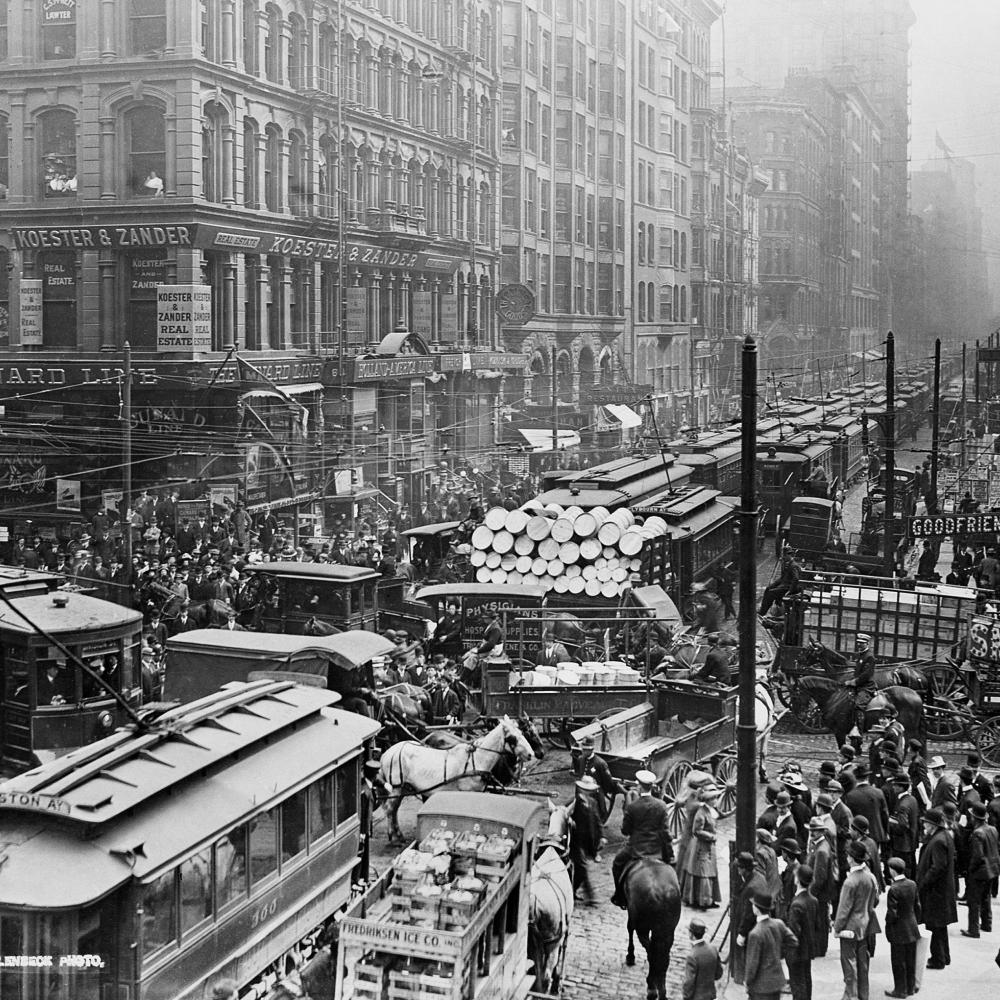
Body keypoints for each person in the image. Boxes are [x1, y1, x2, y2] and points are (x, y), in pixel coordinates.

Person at [610, 769, 673, 909]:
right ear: (651, 787)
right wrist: (670, 855)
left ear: (639, 786)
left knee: (617, 864)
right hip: (657, 848)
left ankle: (620, 897)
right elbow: (665, 833)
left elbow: (625, 831)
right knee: (672, 869)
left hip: (636, 849)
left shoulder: (633, 807)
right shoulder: (661, 805)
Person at [833, 839, 881, 1000]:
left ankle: (850, 996)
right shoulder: (870, 877)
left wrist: (837, 927)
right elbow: (875, 900)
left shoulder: (850, 882)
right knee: (863, 964)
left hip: (850, 927)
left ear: (851, 858)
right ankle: (863, 995)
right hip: (866, 924)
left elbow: (843, 910)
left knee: (849, 965)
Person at [916, 807, 957, 970]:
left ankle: (938, 958)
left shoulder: (938, 840)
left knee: (934, 925)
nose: (924, 826)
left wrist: (923, 884)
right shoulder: (943, 836)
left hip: (936, 892)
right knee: (940, 926)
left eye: (926, 823)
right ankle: (944, 956)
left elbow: (937, 867)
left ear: (933, 824)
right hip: (941, 891)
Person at [744, 890, 798, 1000]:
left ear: (756, 909)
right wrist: (778, 953)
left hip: (760, 987)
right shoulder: (778, 924)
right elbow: (793, 942)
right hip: (776, 981)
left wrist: (747, 982)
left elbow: (752, 964)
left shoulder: (755, 933)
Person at [682, 782, 722, 910]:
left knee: (709, 871)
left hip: (708, 846)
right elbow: (697, 831)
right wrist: (711, 836)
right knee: (703, 872)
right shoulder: (701, 813)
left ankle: (707, 898)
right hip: (701, 847)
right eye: (713, 798)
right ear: (708, 800)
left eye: (715, 798)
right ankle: (701, 900)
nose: (715, 801)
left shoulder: (710, 811)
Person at [884, 856, 920, 999]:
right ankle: (910, 987)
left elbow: (892, 913)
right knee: (911, 959)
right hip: (912, 926)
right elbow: (917, 906)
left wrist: (888, 924)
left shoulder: (894, 889)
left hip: (899, 929)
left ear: (892, 871)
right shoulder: (912, 884)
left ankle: (900, 989)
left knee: (899, 962)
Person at [964, 801, 1000, 938]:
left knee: (974, 901)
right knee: (986, 898)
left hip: (980, 872)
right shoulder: (993, 829)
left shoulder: (977, 833)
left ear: (974, 818)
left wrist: (970, 870)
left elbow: (977, 856)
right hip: (992, 869)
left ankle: (973, 929)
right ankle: (987, 924)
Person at [785, 864, 820, 1000]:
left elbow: (793, 932)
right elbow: (817, 926)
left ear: (797, 880)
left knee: (797, 985)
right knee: (806, 980)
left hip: (796, 951)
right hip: (808, 949)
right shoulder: (813, 900)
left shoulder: (796, 904)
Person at [572, 735, 625, 823]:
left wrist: (602, 791)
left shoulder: (600, 763)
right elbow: (579, 774)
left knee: (598, 816)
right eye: (583, 749)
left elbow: (607, 782)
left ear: (591, 750)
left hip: (595, 795)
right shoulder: (581, 759)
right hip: (581, 792)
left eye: (585, 749)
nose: (583, 751)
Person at [569, 776, 603, 906]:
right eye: (585, 789)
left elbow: (597, 821)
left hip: (588, 842)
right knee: (582, 867)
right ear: (580, 789)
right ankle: (591, 897)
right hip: (576, 842)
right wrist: (570, 822)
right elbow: (560, 814)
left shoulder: (593, 802)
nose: (588, 792)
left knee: (579, 871)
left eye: (589, 790)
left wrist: (601, 836)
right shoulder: (573, 803)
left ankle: (571, 891)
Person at [682, 916, 724, 1000]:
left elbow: (688, 982)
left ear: (691, 934)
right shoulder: (713, 949)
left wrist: (686, 997)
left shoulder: (692, 956)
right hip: (711, 995)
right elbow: (719, 974)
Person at [887, 773, 919, 879]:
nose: (893, 787)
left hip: (902, 844)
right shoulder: (912, 799)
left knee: (904, 871)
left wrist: (889, 824)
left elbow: (902, 827)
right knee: (912, 867)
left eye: (895, 785)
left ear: (901, 787)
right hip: (911, 841)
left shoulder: (902, 805)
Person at [847, 635, 878, 736]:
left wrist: (854, 682)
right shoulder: (860, 655)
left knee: (858, 705)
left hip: (867, 686)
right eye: (858, 642)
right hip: (859, 685)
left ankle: (858, 732)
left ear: (867, 644)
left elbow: (866, 675)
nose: (859, 644)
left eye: (862, 643)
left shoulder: (869, 656)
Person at [759, 550, 801, 617]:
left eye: (785, 555)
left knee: (771, 593)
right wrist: (773, 585)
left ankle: (763, 612)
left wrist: (790, 591)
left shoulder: (793, 565)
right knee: (768, 589)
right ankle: (763, 609)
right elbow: (782, 577)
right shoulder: (786, 564)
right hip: (784, 585)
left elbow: (796, 579)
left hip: (789, 587)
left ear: (789, 555)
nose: (783, 557)